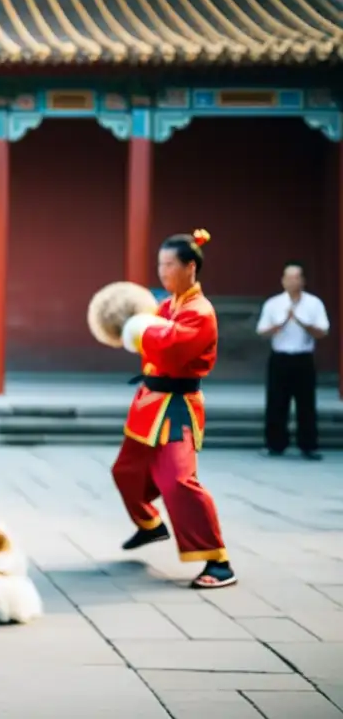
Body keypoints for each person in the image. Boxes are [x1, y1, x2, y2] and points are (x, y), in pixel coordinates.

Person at [115, 229, 236, 590]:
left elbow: (168, 345)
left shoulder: (200, 312)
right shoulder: (169, 305)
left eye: (170, 264)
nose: (163, 271)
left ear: (190, 267)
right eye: (160, 264)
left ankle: (219, 560)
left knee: (178, 481)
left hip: (176, 408)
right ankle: (150, 525)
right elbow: (150, 328)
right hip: (149, 404)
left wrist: (138, 329)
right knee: (127, 471)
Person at [256, 261, 330, 461]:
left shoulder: (313, 304)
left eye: (296, 277)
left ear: (303, 281)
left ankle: (309, 445)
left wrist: (301, 322)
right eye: (288, 277)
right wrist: (281, 323)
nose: (292, 281)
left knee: (306, 403)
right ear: (282, 281)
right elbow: (261, 331)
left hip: (303, 359)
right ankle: (275, 444)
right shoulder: (274, 304)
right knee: (276, 401)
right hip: (280, 358)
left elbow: (323, 331)